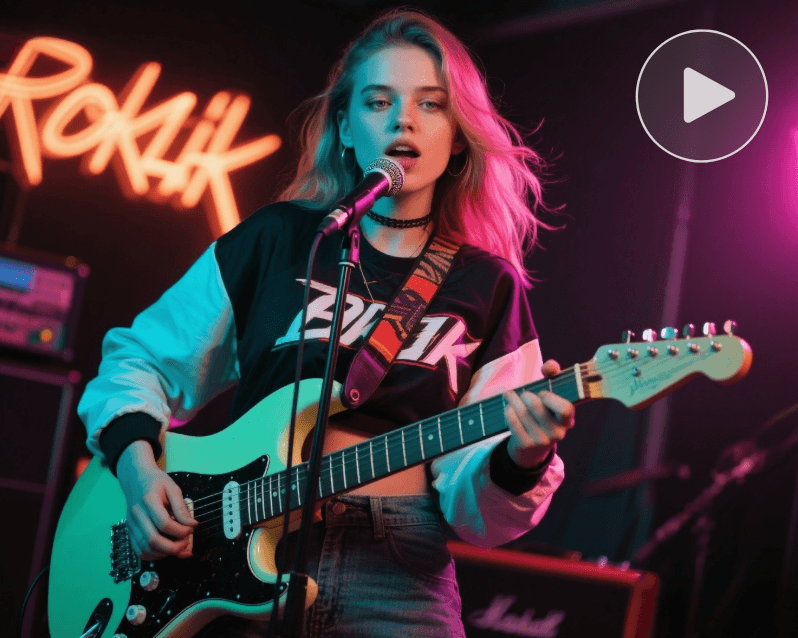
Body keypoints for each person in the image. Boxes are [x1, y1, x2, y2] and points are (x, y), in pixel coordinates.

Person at [77, 8, 575, 637]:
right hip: (235, 553)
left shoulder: (486, 285)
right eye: (378, 101)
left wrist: (522, 456)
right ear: (344, 125)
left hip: (397, 570)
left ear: (457, 137)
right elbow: (139, 359)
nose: (404, 120)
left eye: (432, 104)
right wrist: (139, 471)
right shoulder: (279, 240)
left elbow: (480, 517)